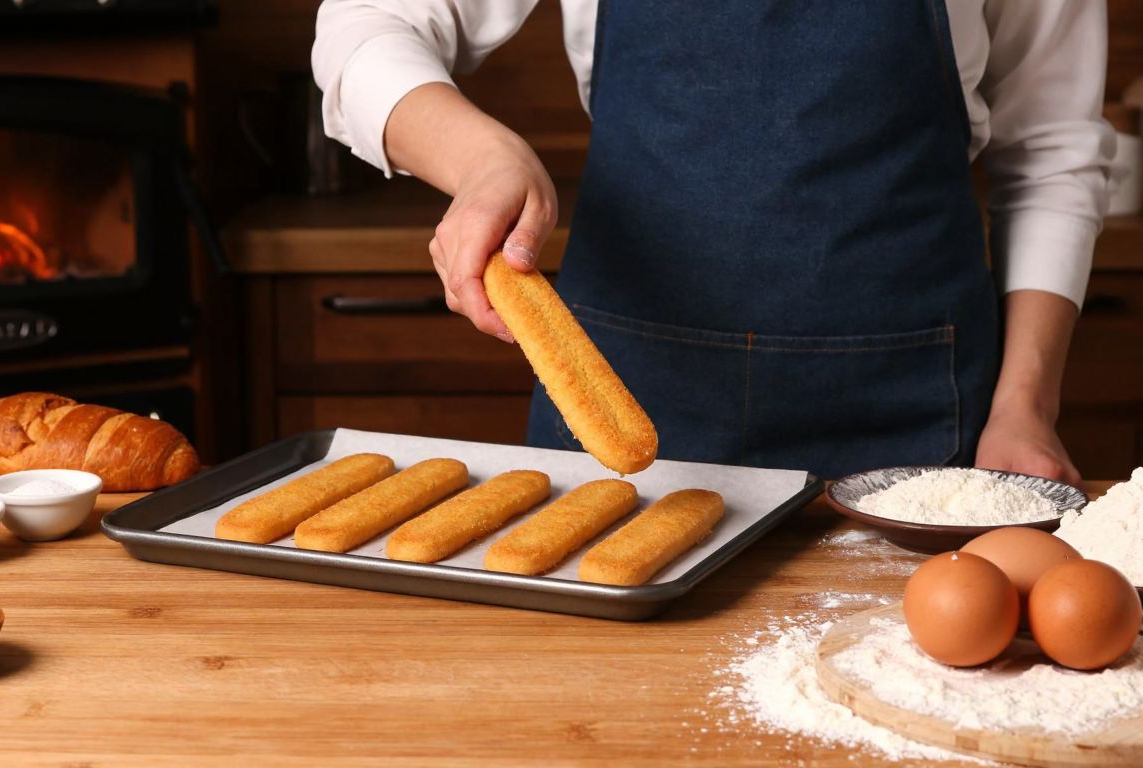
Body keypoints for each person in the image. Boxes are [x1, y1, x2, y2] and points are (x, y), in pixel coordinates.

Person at [312, 1, 1110, 482]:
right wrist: (484, 161)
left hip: (922, 432)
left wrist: (1025, 408)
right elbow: (364, 28)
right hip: (625, 419)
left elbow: (1052, 152)